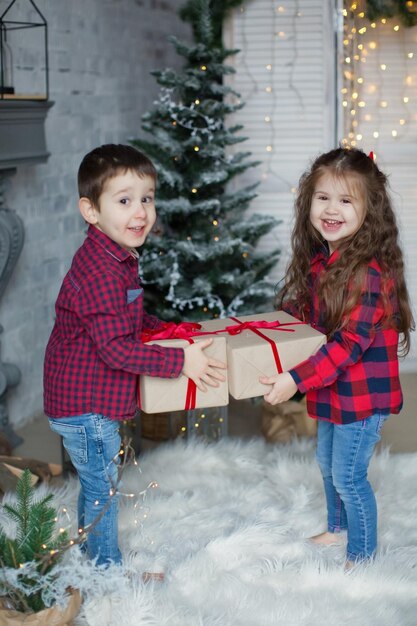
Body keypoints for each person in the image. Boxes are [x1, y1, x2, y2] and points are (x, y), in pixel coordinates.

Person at [44, 144, 226, 572]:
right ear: (91, 211)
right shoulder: (100, 272)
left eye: (146, 198)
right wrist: (182, 362)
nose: (140, 211)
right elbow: (114, 349)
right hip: (83, 406)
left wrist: (166, 331)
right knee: (101, 486)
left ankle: (96, 559)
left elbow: (129, 315)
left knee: (99, 482)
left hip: (89, 400)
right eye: (124, 201)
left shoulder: (117, 256)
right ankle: (105, 568)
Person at [259, 147, 414, 569]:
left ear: (369, 210)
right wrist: (271, 326)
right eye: (323, 197)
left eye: (346, 200)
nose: (332, 209)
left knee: (348, 475)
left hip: (362, 396)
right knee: (327, 465)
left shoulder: (368, 273)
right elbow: (311, 314)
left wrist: (294, 379)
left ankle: (361, 555)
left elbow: (348, 344)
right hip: (333, 388)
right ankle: (338, 528)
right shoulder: (324, 261)